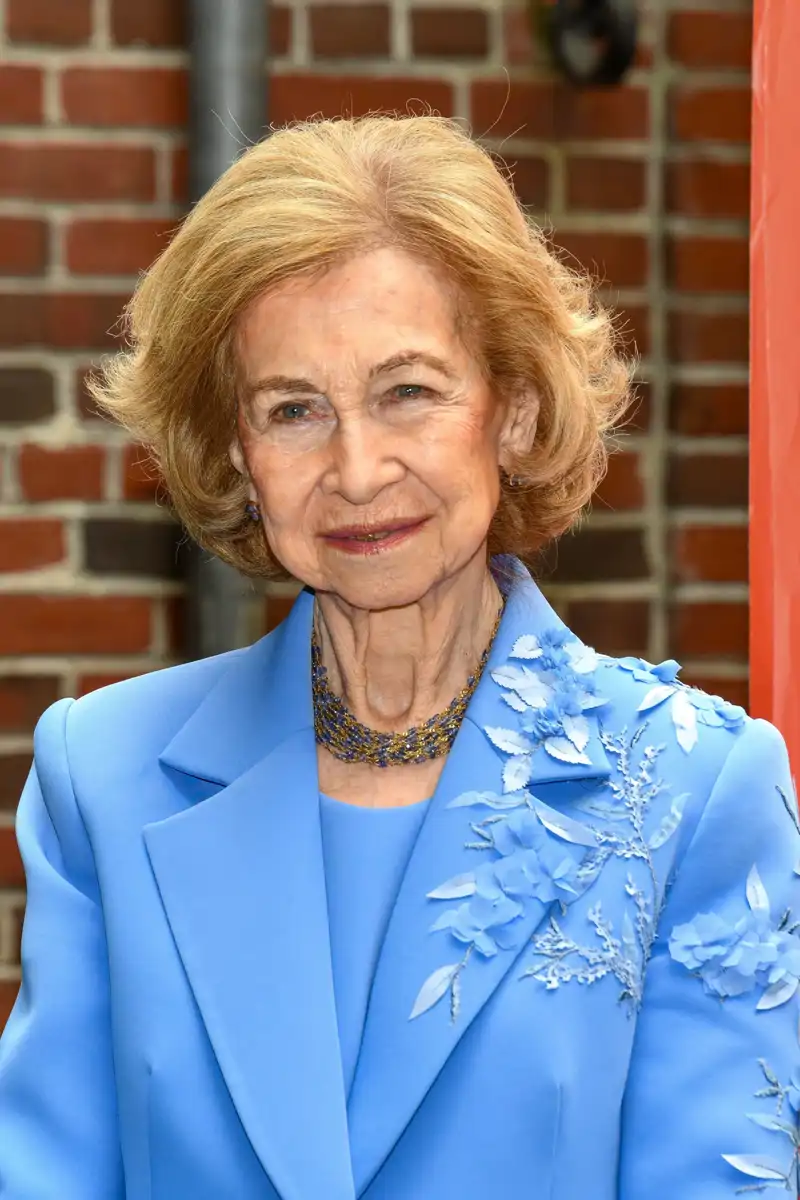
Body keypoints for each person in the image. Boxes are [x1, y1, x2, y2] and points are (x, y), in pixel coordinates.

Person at [0, 113, 797, 1200]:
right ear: (237, 453)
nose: (356, 468)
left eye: (407, 392)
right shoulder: (102, 775)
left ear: (510, 412)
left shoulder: (699, 792)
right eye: (293, 410)